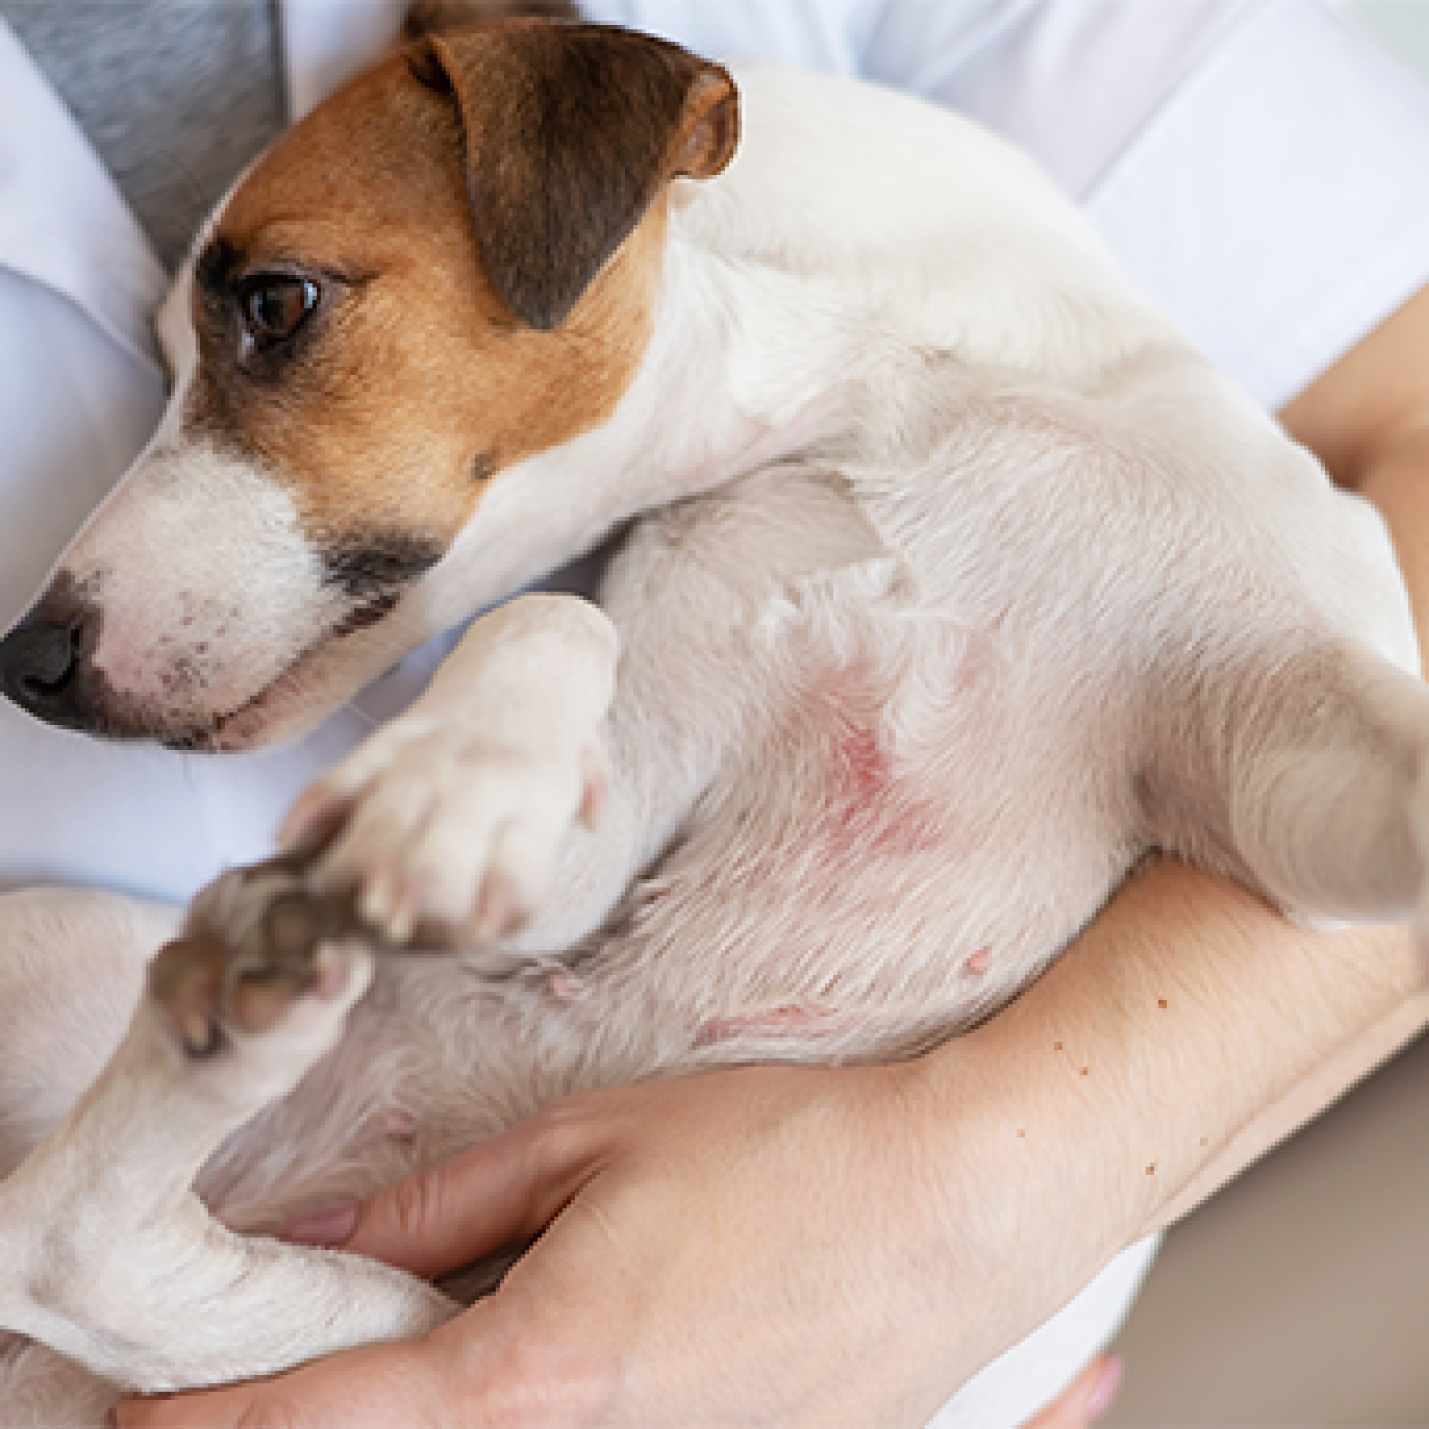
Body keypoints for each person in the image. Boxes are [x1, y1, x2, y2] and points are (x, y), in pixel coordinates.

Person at [0, 1, 1426, 1424]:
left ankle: (111, 1258)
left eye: (274, 315)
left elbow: (1346, 820)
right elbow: (551, 890)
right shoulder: (733, 516)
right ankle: (106, 1255)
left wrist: (974, 1194)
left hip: (576, 1334)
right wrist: (521, 687)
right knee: (48, 974)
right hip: (282, 1189)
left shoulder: (1187, 494)